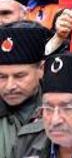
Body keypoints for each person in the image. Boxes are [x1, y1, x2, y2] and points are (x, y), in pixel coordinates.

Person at [0, 22, 50, 157]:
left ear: (41, 69)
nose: (10, 86)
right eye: (2, 77)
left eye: (19, 76)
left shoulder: (63, 111)